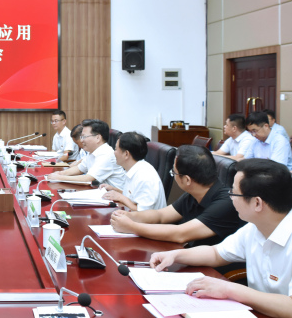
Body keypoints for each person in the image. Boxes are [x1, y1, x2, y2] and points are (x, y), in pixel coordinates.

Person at [149, 159, 292, 318]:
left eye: (234, 192)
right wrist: (175, 255)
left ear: (257, 203)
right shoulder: (254, 228)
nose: (230, 197)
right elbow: (216, 253)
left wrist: (229, 289)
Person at [110, 145, 245, 246]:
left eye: (174, 173)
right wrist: (130, 216)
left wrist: (132, 227)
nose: (173, 176)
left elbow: (180, 234)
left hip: (215, 270)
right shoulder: (194, 194)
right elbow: (161, 215)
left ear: (187, 180)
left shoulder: (226, 202)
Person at [47, 119, 126, 189]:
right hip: (102, 193)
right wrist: (61, 173)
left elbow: (87, 179)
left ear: (98, 138)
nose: (81, 141)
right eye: (81, 137)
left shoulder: (106, 154)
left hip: (115, 199)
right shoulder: (92, 152)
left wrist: (59, 178)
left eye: (84, 137)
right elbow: (79, 168)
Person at [101, 131, 167, 211]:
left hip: (144, 219)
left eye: (116, 149)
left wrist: (120, 197)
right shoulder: (134, 169)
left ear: (126, 154)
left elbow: (144, 212)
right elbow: (132, 198)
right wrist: (114, 190)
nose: (114, 153)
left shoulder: (145, 177)